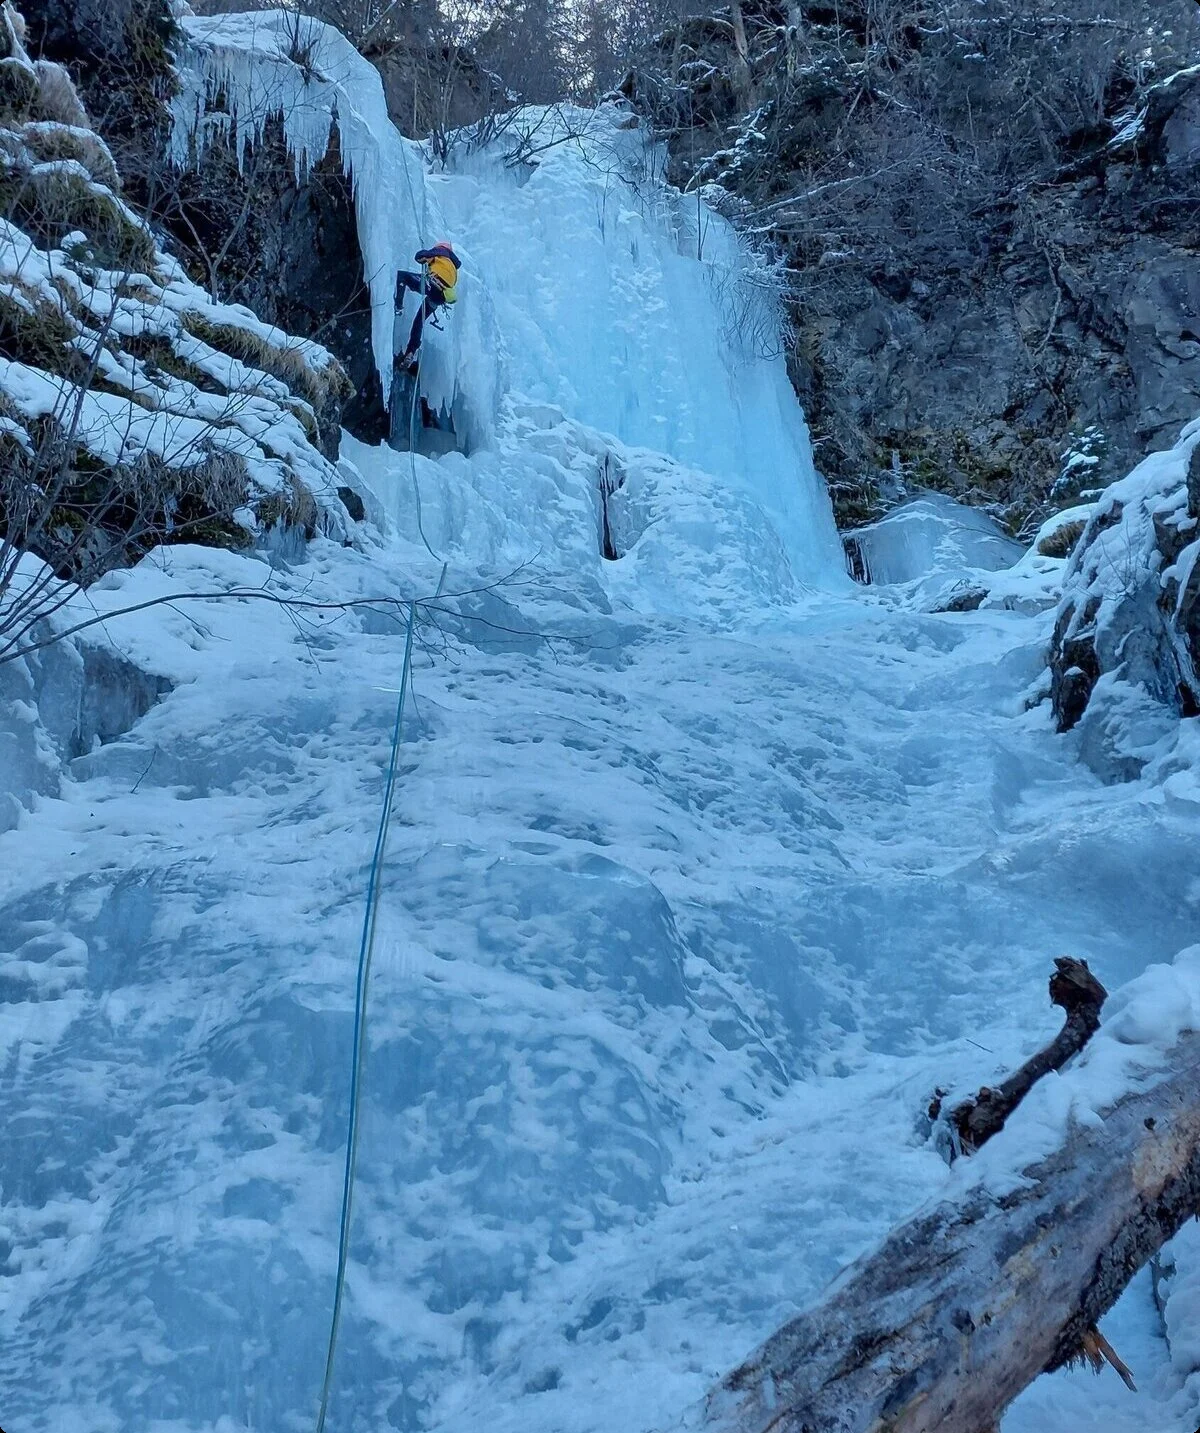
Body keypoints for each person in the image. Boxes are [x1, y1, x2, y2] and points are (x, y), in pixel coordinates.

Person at [394, 241, 461, 370]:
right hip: (440, 297)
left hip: (432, 285)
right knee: (419, 321)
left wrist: (426, 255)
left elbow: (419, 256)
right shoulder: (453, 267)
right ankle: (411, 352)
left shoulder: (441, 252)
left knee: (402, 277)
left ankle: (398, 305)